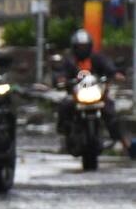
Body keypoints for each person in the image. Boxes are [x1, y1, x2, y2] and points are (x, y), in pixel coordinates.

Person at [56, 28, 136, 159]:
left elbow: (109, 67)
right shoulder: (70, 61)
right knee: (64, 105)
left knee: (111, 112)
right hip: (77, 96)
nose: (82, 49)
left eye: (84, 46)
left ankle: (126, 144)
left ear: (90, 47)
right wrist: (61, 79)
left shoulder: (97, 58)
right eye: (79, 47)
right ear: (74, 47)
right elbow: (61, 74)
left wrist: (116, 74)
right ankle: (65, 131)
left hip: (97, 96)